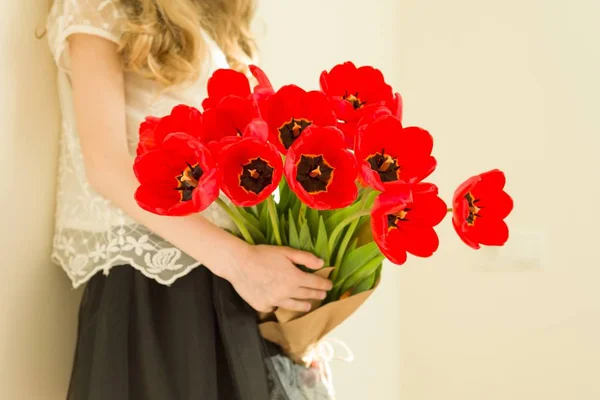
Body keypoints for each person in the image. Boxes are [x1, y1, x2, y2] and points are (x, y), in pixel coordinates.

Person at [45, 1, 334, 399]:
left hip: (235, 286)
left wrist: (290, 315)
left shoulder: (217, 15)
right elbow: (106, 165)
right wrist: (241, 265)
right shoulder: (102, 7)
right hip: (158, 291)